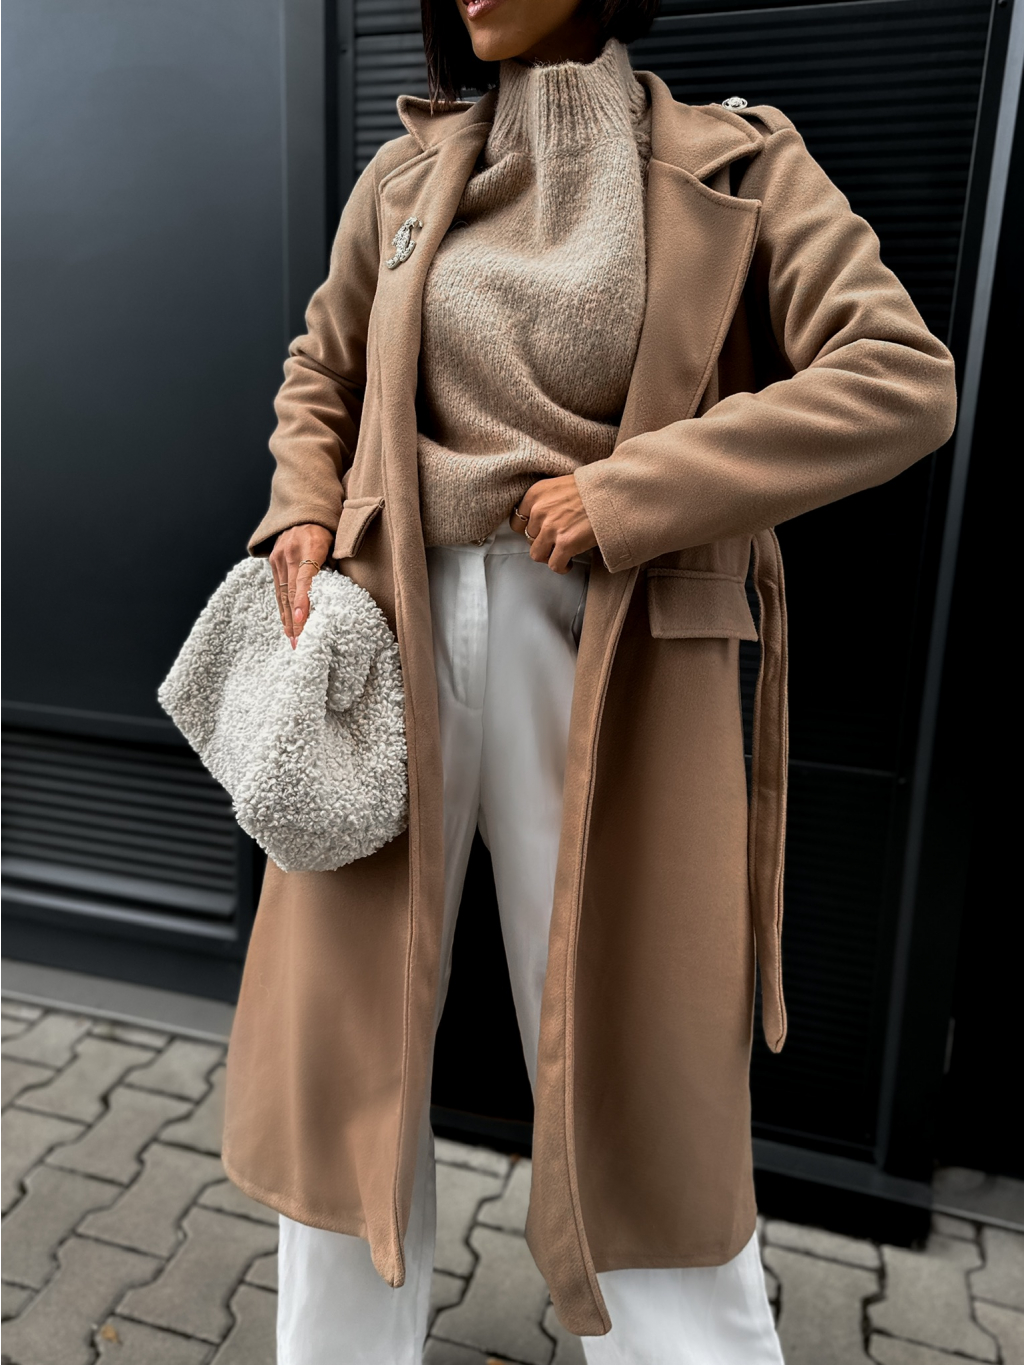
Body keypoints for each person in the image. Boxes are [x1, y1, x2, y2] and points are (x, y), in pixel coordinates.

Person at [222, 0, 957, 1359]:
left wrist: (636, 492)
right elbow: (322, 366)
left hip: (618, 647)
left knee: (642, 1066)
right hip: (388, 633)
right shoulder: (404, 173)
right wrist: (301, 507)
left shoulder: (737, 158)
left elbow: (902, 378)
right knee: (349, 1056)